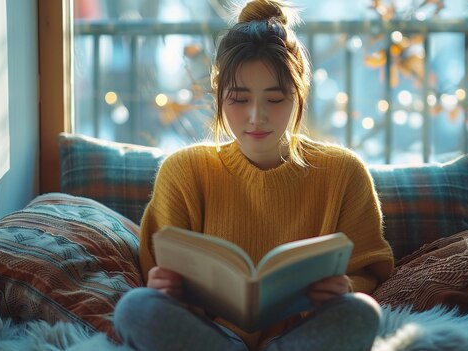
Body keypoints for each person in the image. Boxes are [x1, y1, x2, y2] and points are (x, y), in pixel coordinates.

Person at [113, 0, 394, 350]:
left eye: (275, 100)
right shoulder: (184, 170)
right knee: (135, 308)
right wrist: (164, 285)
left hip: (300, 335)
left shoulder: (343, 171)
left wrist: (345, 288)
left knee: (361, 312)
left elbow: (371, 270)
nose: (256, 117)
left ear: (298, 92)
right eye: (239, 99)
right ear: (218, 93)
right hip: (211, 335)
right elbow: (156, 271)